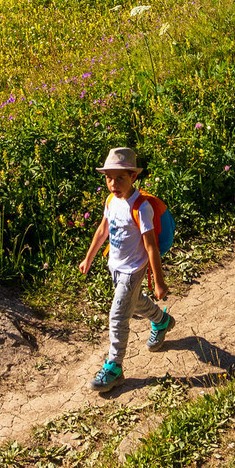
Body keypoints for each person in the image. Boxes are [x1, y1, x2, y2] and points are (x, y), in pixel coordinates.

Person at [80, 145, 173, 394]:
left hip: (134, 269)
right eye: (109, 177)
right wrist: (89, 258)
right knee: (134, 303)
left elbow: (151, 247)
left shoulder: (141, 207)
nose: (113, 183)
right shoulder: (111, 200)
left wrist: (159, 282)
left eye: (120, 177)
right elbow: (103, 230)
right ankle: (161, 321)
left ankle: (115, 368)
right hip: (115, 267)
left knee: (118, 316)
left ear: (133, 176)